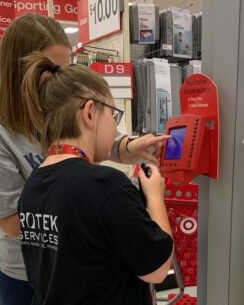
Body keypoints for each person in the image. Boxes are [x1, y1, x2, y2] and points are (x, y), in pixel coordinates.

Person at [0, 13, 170, 305]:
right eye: (55, 71)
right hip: (27, 274)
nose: (64, 81)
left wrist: (131, 146)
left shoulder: (49, 172)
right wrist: (144, 202)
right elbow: (12, 223)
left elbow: (101, 144)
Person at [19, 52, 173, 305]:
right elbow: (156, 269)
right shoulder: (106, 185)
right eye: (114, 116)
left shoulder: (33, 185)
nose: (115, 128)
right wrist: (155, 196)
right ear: (90, 113)